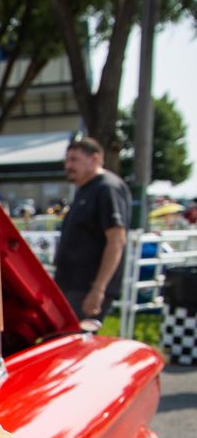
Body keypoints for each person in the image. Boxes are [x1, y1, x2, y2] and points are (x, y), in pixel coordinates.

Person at [52, 137, 131, 330]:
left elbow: (116, 241)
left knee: (75, 342)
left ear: (94, 159)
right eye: (67, 160)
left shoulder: (107, 188)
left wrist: (98, 289)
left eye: (74, 160)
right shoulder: (84, 190)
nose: (68, 166)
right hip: (70, 284)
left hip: (86, 287)